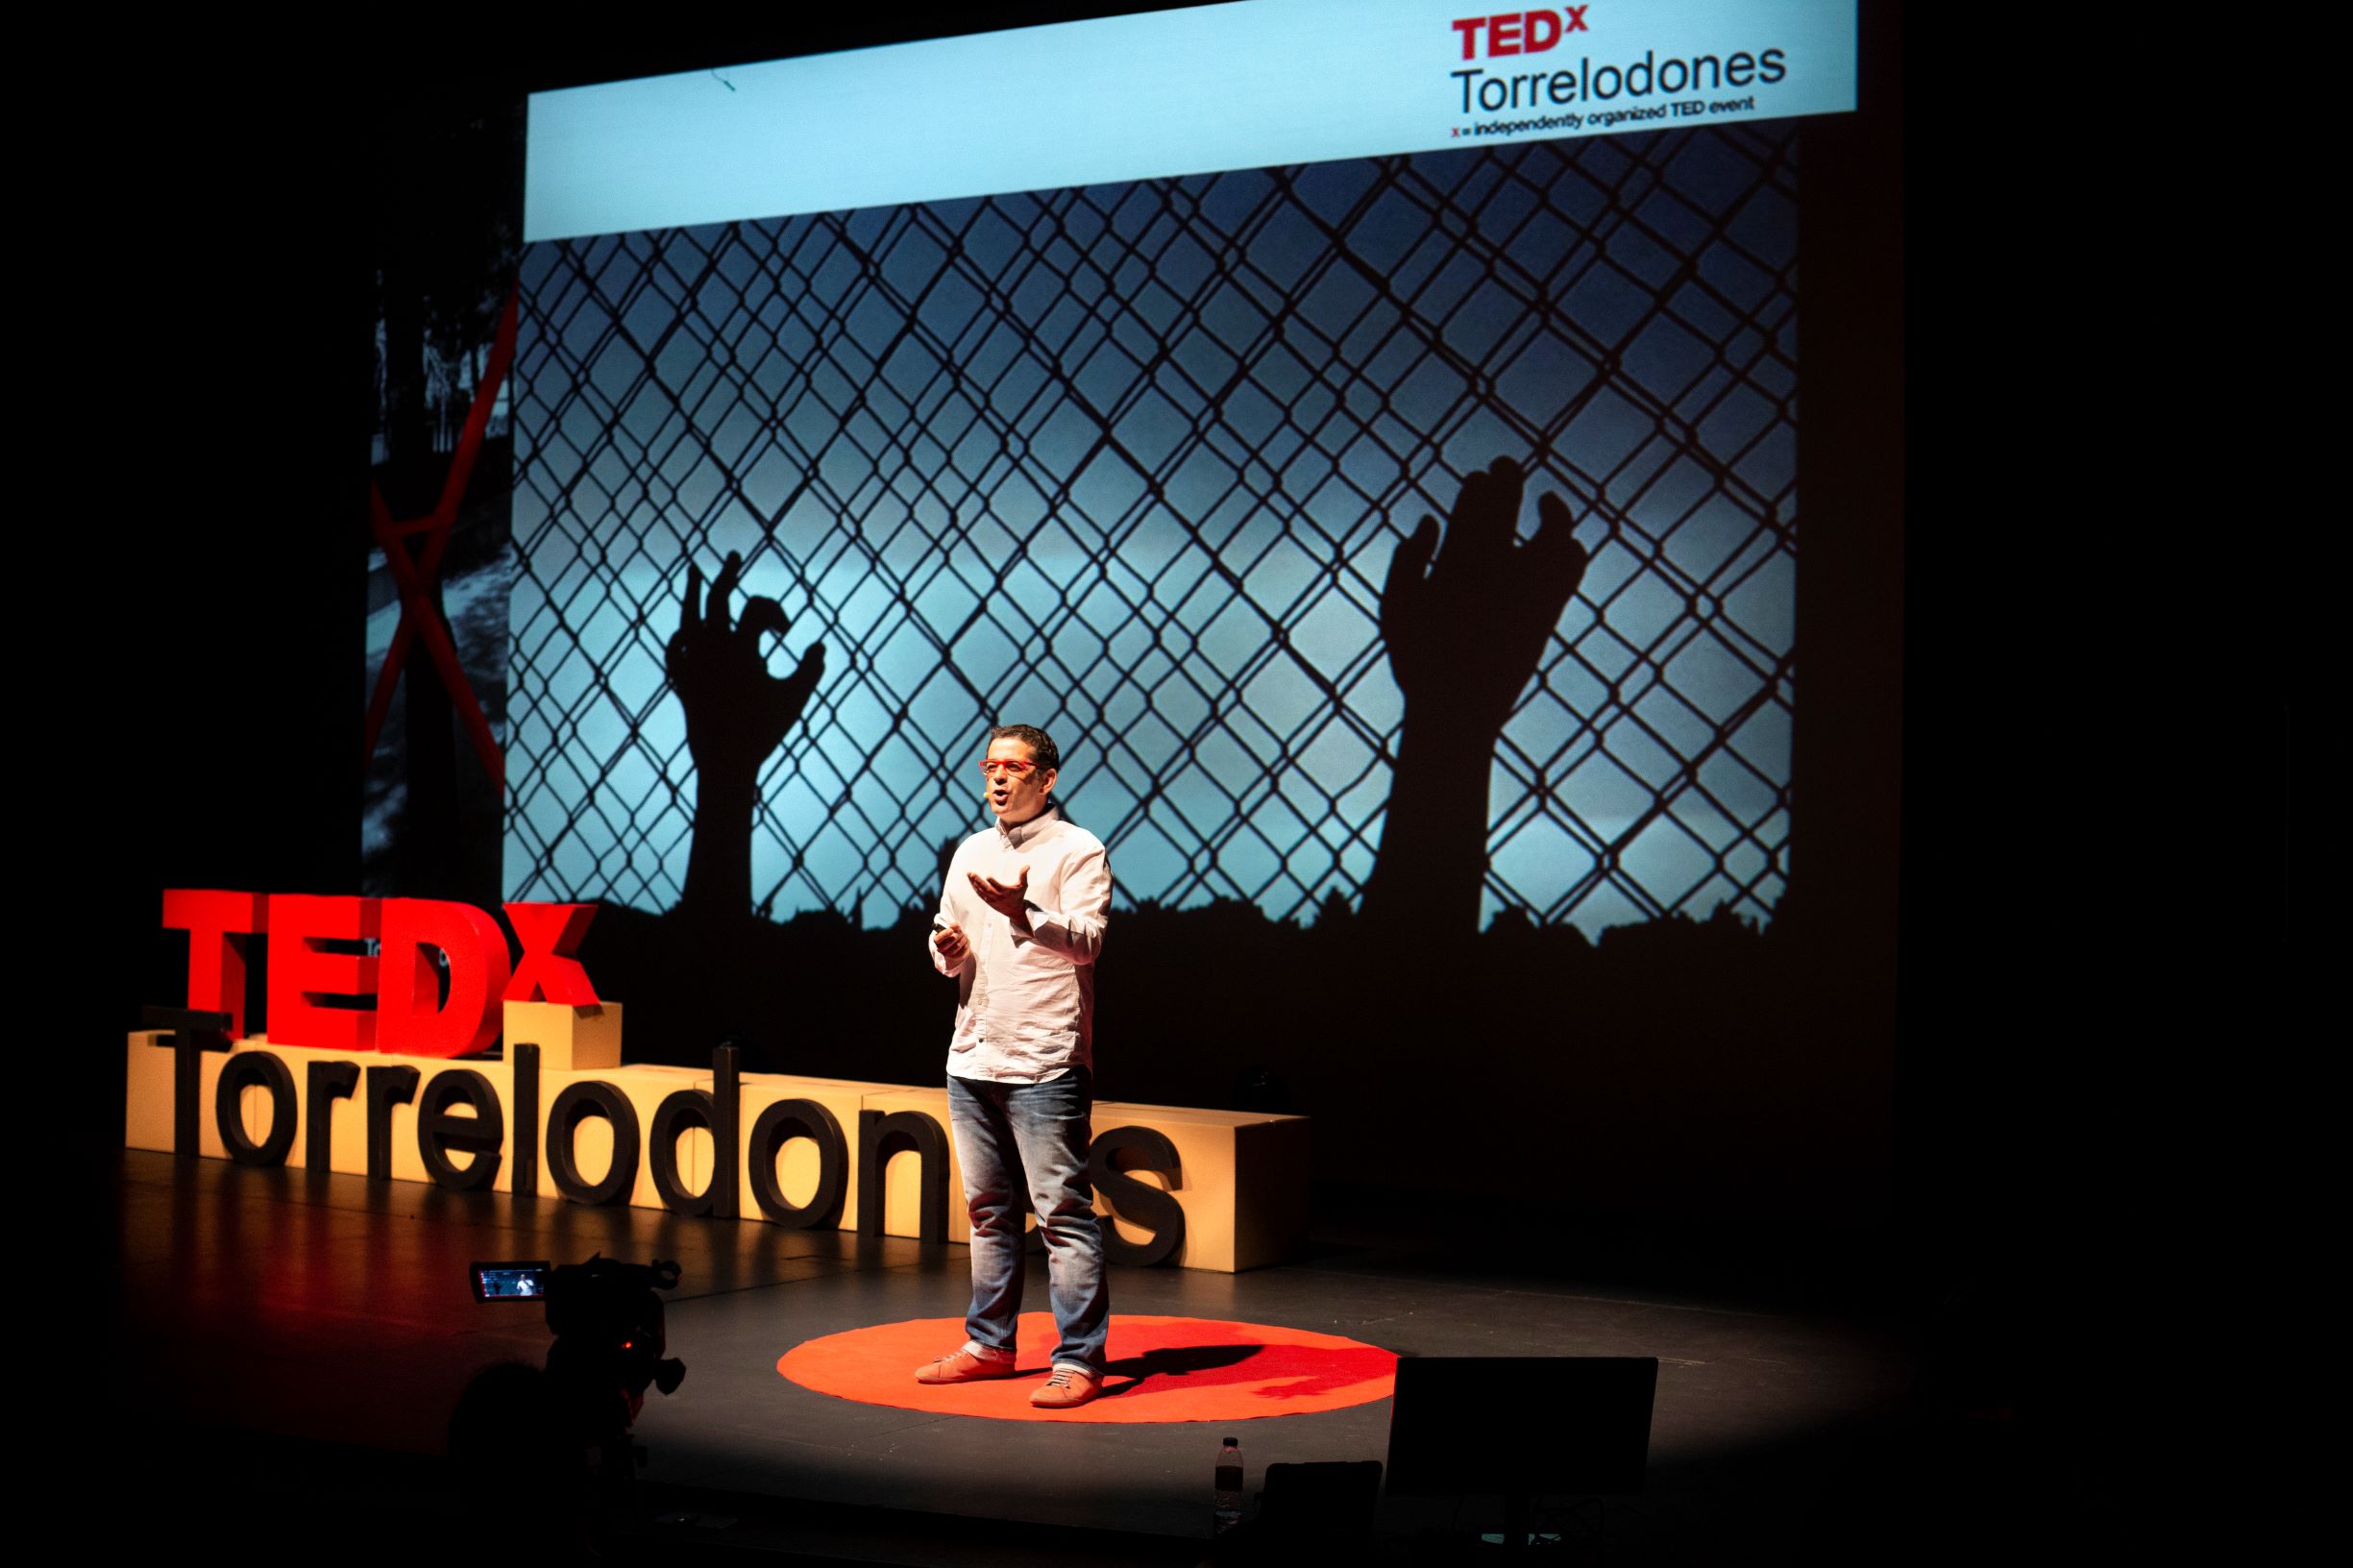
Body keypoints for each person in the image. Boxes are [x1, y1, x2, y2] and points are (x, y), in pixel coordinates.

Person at [917, 723, 1114, 1409]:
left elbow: (1088, 943)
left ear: (1046, 779)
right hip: (973, 1051)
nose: (997, 779)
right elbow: (949, 945)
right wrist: (946, 946)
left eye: (1013, 767)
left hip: (1044, 1057)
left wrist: (1021, 911)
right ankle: (989, 1346)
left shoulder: (1078, 849)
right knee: (988, 1211)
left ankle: (1079, 1360)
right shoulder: (970, 850)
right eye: (989, 767)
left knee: (1061, 1213)